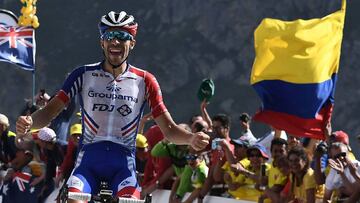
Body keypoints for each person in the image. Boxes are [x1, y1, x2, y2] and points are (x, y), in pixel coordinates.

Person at [16, 11, 209, 202]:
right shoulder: (82, 75)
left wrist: (191, 139)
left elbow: (169, 130)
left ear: (132, 43)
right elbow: (50, 111)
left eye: (122, 36)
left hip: (123, 167)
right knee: (74, 200)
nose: (115, 42)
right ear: (102, 42)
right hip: (88, 164)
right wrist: (30, 122)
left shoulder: (145, 81)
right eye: (109, 36)